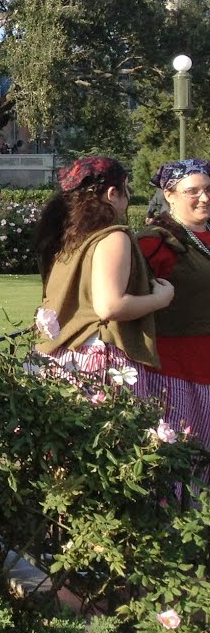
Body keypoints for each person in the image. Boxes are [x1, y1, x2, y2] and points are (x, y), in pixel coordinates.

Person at [33, 156, 172, 387]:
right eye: (126, 189)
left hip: (56, 356)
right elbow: (110, 306)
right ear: (112, 194)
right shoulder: (112, 237)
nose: (128, 196)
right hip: (95, 357)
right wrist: (161, 299)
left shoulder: (66, 237)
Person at [135, 161, 210, 431]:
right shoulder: (154, 242)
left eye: (208, 189)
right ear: (169, 194)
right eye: (193, 191)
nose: (205, 198)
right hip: (175, 372)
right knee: (185, 451)